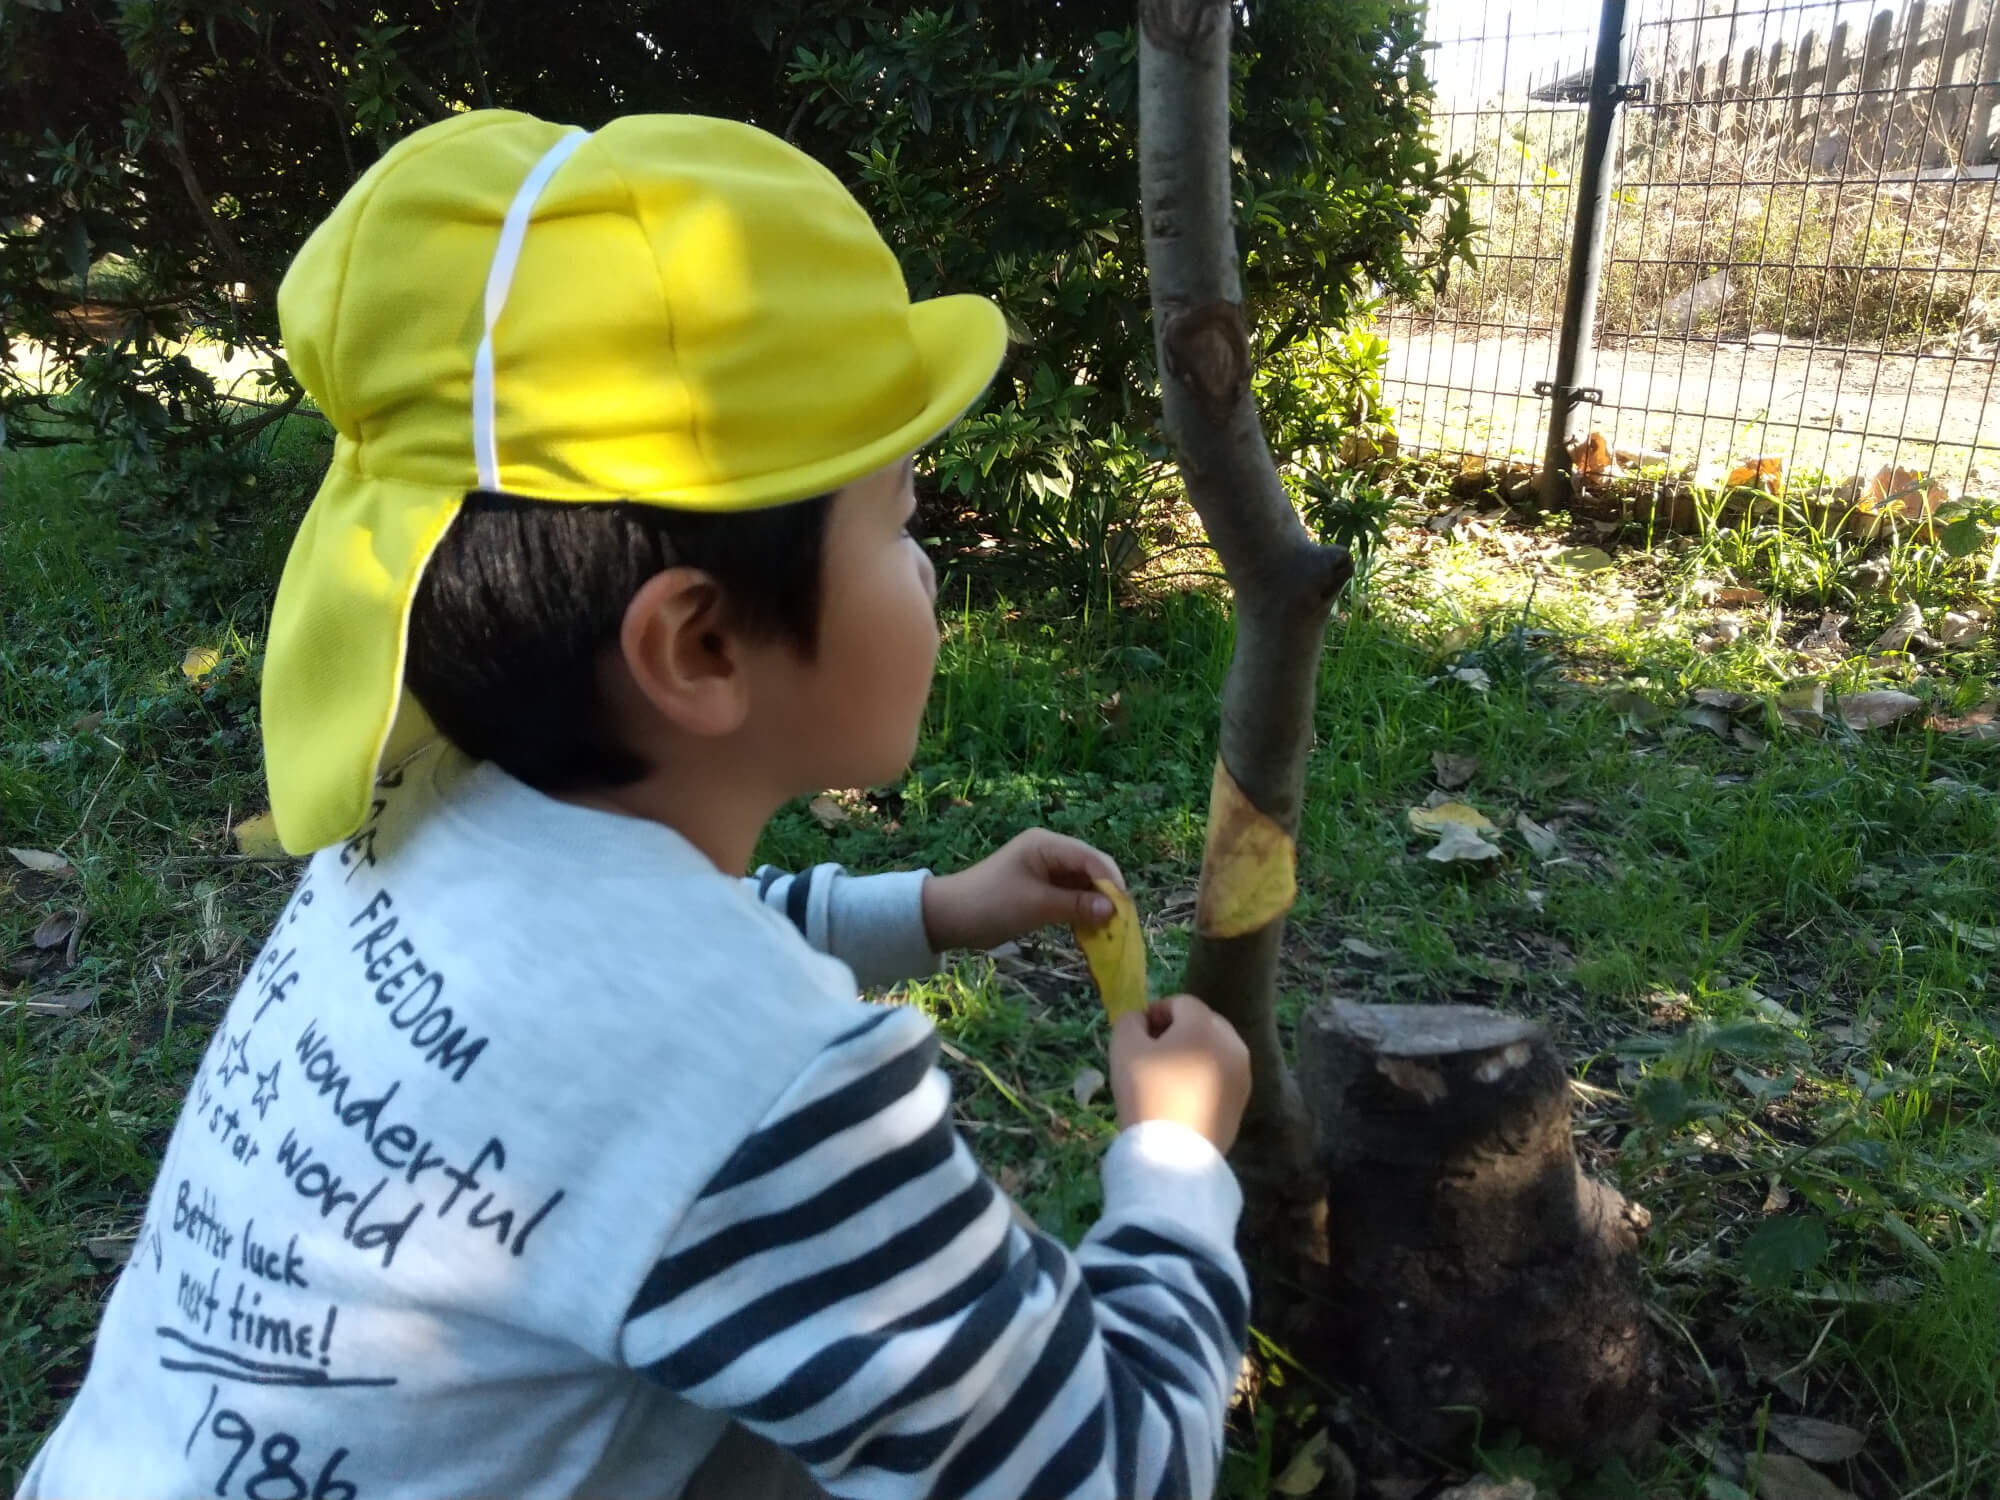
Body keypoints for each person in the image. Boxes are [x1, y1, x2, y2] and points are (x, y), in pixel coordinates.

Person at [17, 109, 1252, 1500]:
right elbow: (1112, 1472)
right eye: (902, 518)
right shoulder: (767, 1091)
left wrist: (926, 913)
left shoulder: (426, 816)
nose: (929, 574)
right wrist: (1171, 1159)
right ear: (700, 647)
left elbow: (626, 979)